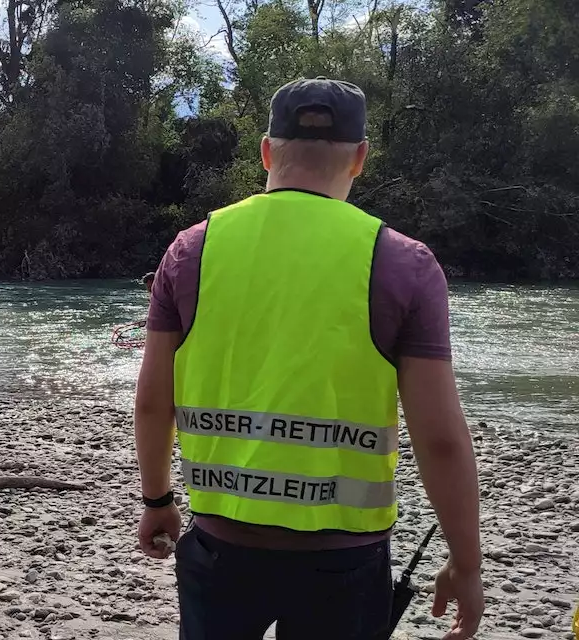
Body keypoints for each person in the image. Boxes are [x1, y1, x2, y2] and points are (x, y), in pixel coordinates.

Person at [133, 77, 484, 640]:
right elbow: (439, 437)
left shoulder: (192, 249)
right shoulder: (403, 264)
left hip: (221, 545)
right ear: (360, 159)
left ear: (267, 151)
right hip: (345, 562)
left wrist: (157, 499)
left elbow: (153, 401)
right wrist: (466, 561)